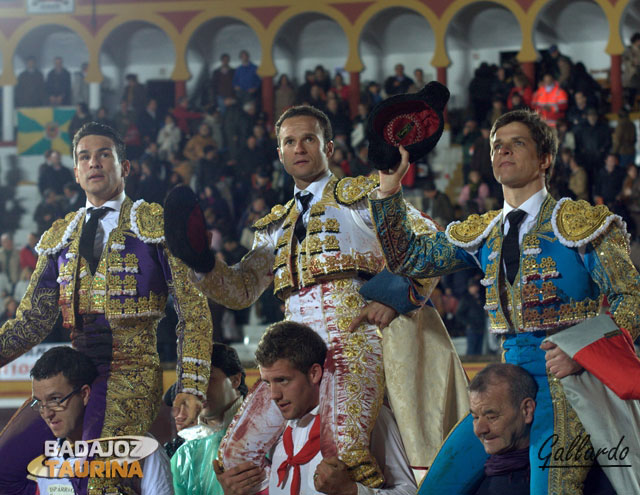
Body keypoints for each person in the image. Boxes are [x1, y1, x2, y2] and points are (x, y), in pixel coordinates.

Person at [165, 105, 468, 486]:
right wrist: (203, 262)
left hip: (352, 345)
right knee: (232, 457)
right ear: (280, 153)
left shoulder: (359, 197)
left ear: (329, 146)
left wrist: (393, 297)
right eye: (289, 141)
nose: (299, 148)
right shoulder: (274, 225)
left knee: (344, 453)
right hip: (291, 356)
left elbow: (431, 243)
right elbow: (241, 290)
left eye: (308, 138)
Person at [370, 108, 640, 494]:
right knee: (435, 489)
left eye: (518, 144)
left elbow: (631, 296)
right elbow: (408, 258)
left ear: (545, 159)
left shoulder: (582, 224)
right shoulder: (482, 232)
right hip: (506, 383)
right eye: (497, 146)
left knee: (553, 488)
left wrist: (583, 351)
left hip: (568, 382)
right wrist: (389, 187)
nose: (504, 152)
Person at [0, 122, 213, 495]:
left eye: (104, 155)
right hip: (70, 377)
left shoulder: (155, 225)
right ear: (76, 171)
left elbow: (193, 312)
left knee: (100, 478)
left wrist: (191, 386)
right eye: (85, 156)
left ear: (124, 167)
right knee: (3, 466)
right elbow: (31, 322)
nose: (94, 163)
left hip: (132, 372)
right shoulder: (60, 236)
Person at [215, 321, 418, 495]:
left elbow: (411, 491)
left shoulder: (366, 416)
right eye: (268, 383)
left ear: (314, 373)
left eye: (283, 380)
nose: (274, 395)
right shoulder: (276, 431)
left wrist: (353, 491)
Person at [30, 346, 173, 495]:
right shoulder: (45, 457)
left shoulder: (139, 449)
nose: (46, 413)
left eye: (55, 400)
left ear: (85, 394)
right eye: (39, 403)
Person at [171, 343, 248, 495]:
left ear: (235, 380)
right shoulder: (184, 455)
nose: (197, 391)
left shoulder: (265, 436)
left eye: (206, 378)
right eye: (191, 383)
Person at [469, 363, 537, 495]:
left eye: (491, 417)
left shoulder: (547, 479)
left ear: (527, 410)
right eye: (475, 417)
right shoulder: (479, 474)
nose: (480, 430)